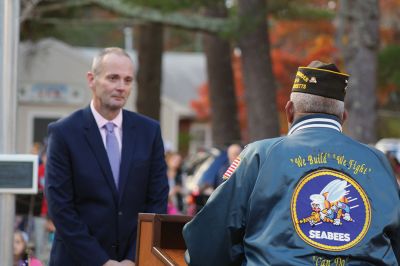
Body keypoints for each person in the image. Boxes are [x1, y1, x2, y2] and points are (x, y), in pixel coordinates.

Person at [183, 61, 400, 265]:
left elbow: (209, 241)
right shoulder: (379, 162)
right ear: (343, 116)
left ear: (289, 111)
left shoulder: (259, 155)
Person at [45, 47, 169, 266]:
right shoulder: (64, 133)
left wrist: (134, 257)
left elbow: (157, 201)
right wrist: (101, 261)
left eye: (128, 80)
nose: (121, 87)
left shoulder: (149, 132)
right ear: (92, 79)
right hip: (77, 260)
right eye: (113, 78)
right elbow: (60, 208)